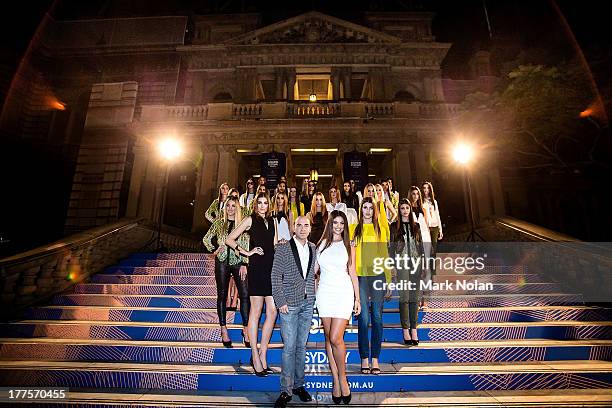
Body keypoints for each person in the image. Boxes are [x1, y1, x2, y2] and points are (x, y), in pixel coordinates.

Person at [226, 192, 278, 376]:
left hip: (271, 269)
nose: (263, 206)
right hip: (256, 268)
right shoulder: (249, 220)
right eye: (260, 203)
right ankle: (255, 354)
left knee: (273, 310)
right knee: (256, 312)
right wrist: (246, 253)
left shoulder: (273, 221)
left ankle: (263, 352)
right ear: (256, 204)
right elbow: (229, 239)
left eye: (266, 203)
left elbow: (274, 245)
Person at [271, 216, 317, 408]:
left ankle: (299, 386)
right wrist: (280, 301)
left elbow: (312, 275)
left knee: (301, 347)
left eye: (306, 225)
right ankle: (285, 390)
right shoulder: (283, 248)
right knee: (289, 348)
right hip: (289, 304)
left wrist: (314, 297)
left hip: (308, 304)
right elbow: (275, 276)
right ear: (293, 228)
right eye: (299, 225)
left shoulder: (313, 248)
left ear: (310, 228)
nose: (303, 228)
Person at [315, 210, 361, 404]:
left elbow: (353, 273)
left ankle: (343, 378)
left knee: (336, 337)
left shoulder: (349, 245)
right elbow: (313, 271)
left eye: (342, 223)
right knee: (328, 338)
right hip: (324, 294)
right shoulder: (321, 245)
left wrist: (357, 299)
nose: (339, 226)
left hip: (343, 293)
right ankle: (335, 379)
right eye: (336, 223)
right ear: (330, 224)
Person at [350, 197, 392, 375]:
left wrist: (388, 281)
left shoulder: (380, 229)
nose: (367, 210)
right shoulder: (353, 229)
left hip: (378, 276)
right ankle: (364, 358)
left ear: (374, 211)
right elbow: (349, 257)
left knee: (377, 318)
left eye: (370, 208)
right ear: (361, 210)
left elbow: (384, 255)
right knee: (364, 319)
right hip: (360, 277)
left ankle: (375, 358)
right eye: (364, 207)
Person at [202, 196, 250, 348]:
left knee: (244, 295)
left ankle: (246, 328)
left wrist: (244, 262)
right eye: (228, 205)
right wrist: (214, 250)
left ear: (238, 207)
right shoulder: (218, 223)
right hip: (222, 261)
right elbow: (206, 239)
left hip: (238, 262)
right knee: (222, 295)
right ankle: (223, 329)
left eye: (233, 205)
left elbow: (246, 243)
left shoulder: (242, 224)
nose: (230, 208)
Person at [389, 199, 424, 346]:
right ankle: (405, 329)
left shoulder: (416, 227)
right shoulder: (394, 227)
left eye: (407, 207)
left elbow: (421, 247)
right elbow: (391, 248)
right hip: (401, 264)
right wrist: (392, 265)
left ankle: (414, 329)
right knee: (404, 298)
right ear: (399, 210)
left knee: (414, 299)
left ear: (410, 209)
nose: (405, 210)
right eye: (402, 208)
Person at [408, 186, 432, 308]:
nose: (415, 196)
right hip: (413, 242)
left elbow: (426, 226)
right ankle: (416, 300)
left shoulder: (423, 209)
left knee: (425, 271)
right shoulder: (407, 209)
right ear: (410, 194)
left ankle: (425, 300)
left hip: (425, 240)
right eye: (413, 194)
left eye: (417, 194)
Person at [422, 181, 443, 275]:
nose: (426, 190)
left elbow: (437, 215)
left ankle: (433, 273)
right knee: (426, 250)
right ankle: (427, 272)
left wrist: (440, 230)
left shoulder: (434, 201)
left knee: (433, 250)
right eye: (424, 188)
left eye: (428, 188)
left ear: (430, 189)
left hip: (434, 227)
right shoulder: (421, 201)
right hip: (426, 228)